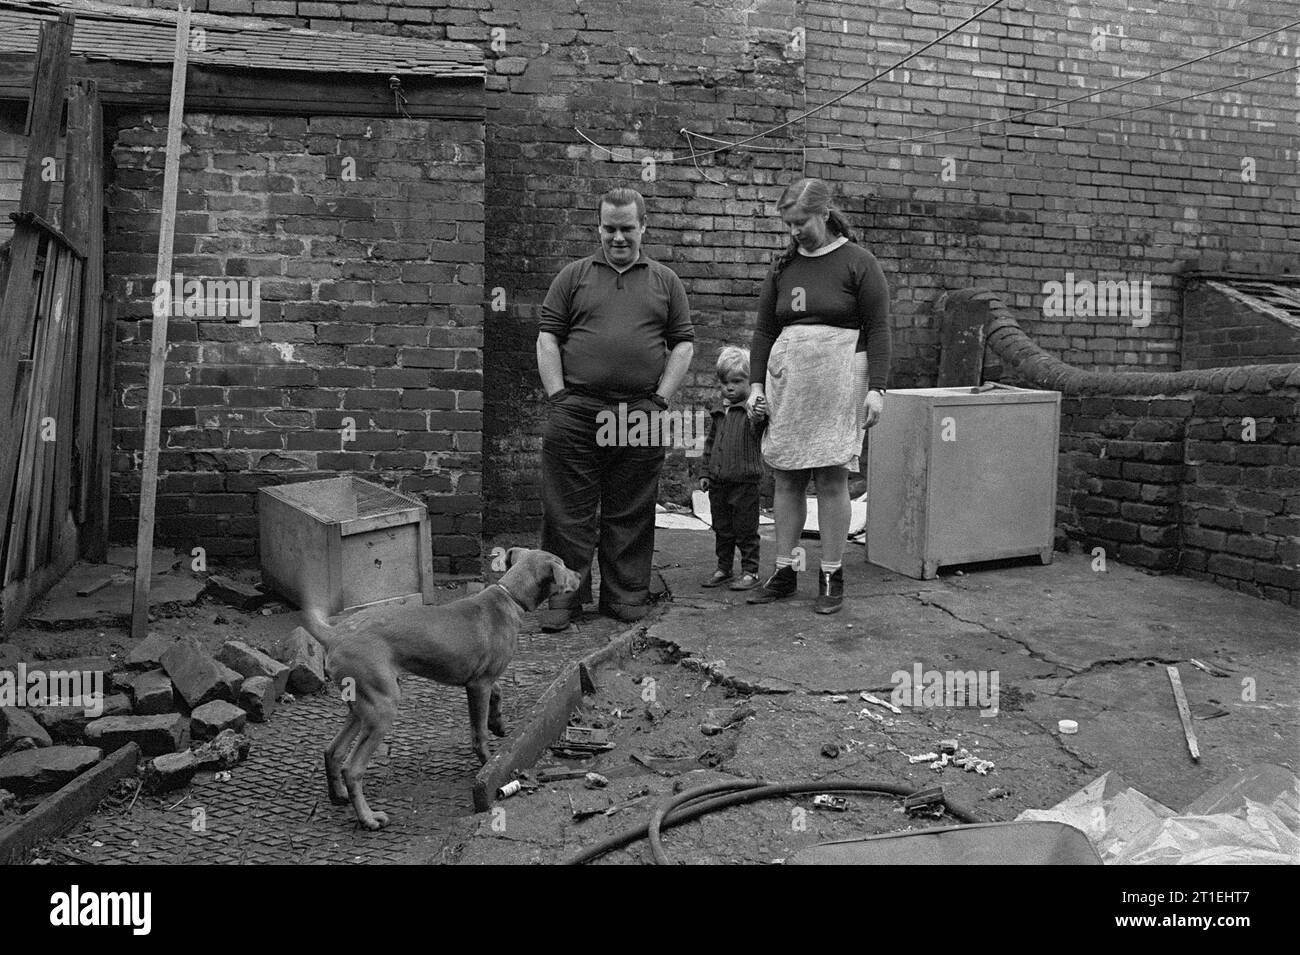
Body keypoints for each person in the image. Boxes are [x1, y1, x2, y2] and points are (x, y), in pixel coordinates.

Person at [536, 187, 695, 632]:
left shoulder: (666, 282)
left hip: (639, 412)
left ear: (644, 227)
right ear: (599, 227)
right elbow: (548, 336)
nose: (618, 237)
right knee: (568, 511)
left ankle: (625, 598)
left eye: (627, 228)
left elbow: (683, 343)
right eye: (610, 228)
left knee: (631, 509)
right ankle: (564, 601)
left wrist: (661, 399)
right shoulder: (573, 276)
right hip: (577, 411)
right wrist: (558, 397)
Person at [745, 178, 892, 614]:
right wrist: (756, 385)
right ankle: (785, 570)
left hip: (839, 381)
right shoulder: (782, 267)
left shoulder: (858, 263)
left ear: (824, 214)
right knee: (786, 476)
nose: (795, 231)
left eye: (801, 221)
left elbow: (879, 328)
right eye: (788, 224)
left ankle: (831, 573)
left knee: (831, 477)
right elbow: (764, 331)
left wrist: (877, 390)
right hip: (788, 382)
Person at [699, 346, 766, 591]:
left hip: (745, 482)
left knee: (746, 530)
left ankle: (750, 571)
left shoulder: (752, 412)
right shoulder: (720, 412)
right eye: (725, 382)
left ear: (751, 381)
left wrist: (757, 410)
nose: (729, 387)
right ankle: (724, 568)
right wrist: (706, 472)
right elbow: (710, 445)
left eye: (737, 381)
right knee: (722, 529)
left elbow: (760, 425)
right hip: (719, 482)